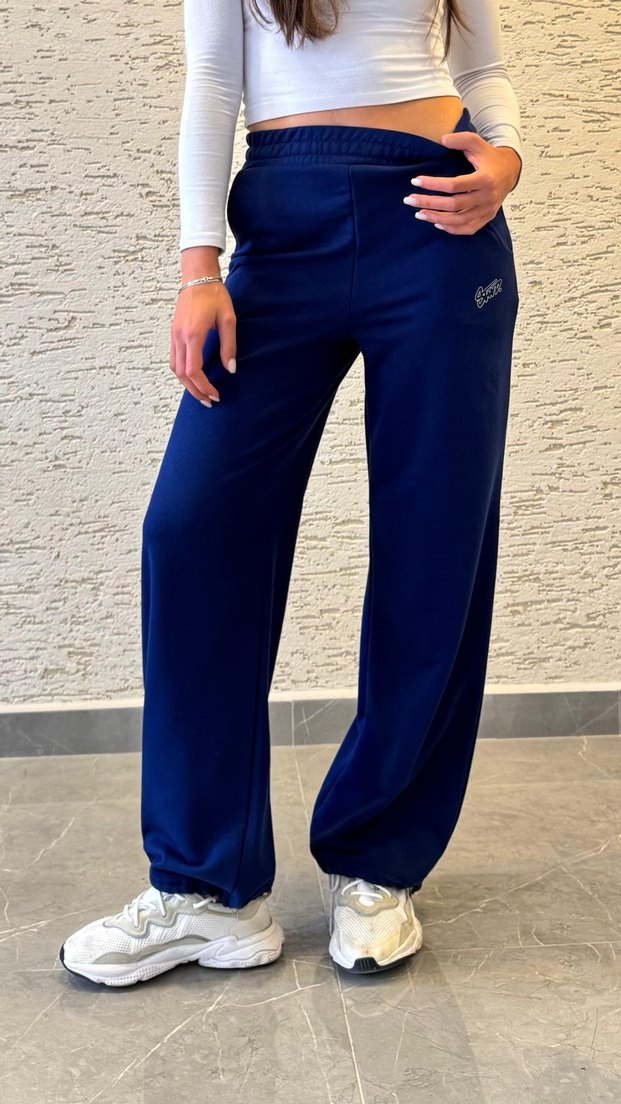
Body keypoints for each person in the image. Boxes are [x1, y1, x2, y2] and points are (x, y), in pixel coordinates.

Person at [60, 0, 523, 986]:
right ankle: (207, 888)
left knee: (434, 538)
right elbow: (213, 82)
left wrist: (506, 159)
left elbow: (483, 73)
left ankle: (379, 861)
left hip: (439, 222)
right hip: (282, 221)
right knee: (192, 531)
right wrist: (198, 266)